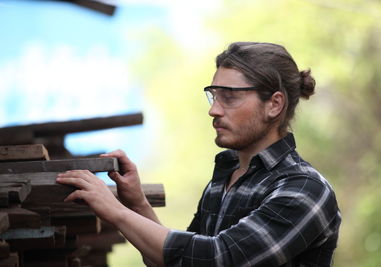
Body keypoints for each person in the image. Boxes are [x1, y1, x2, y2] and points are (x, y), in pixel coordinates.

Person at [57, 42, 341, 267]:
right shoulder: (226, 177)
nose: (214, 110)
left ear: (274, 105)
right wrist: (137, 204)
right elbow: (180, 260)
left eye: (229, 97)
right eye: (214, 96)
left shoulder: (305, 190)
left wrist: (115, 211)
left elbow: (219, 259)